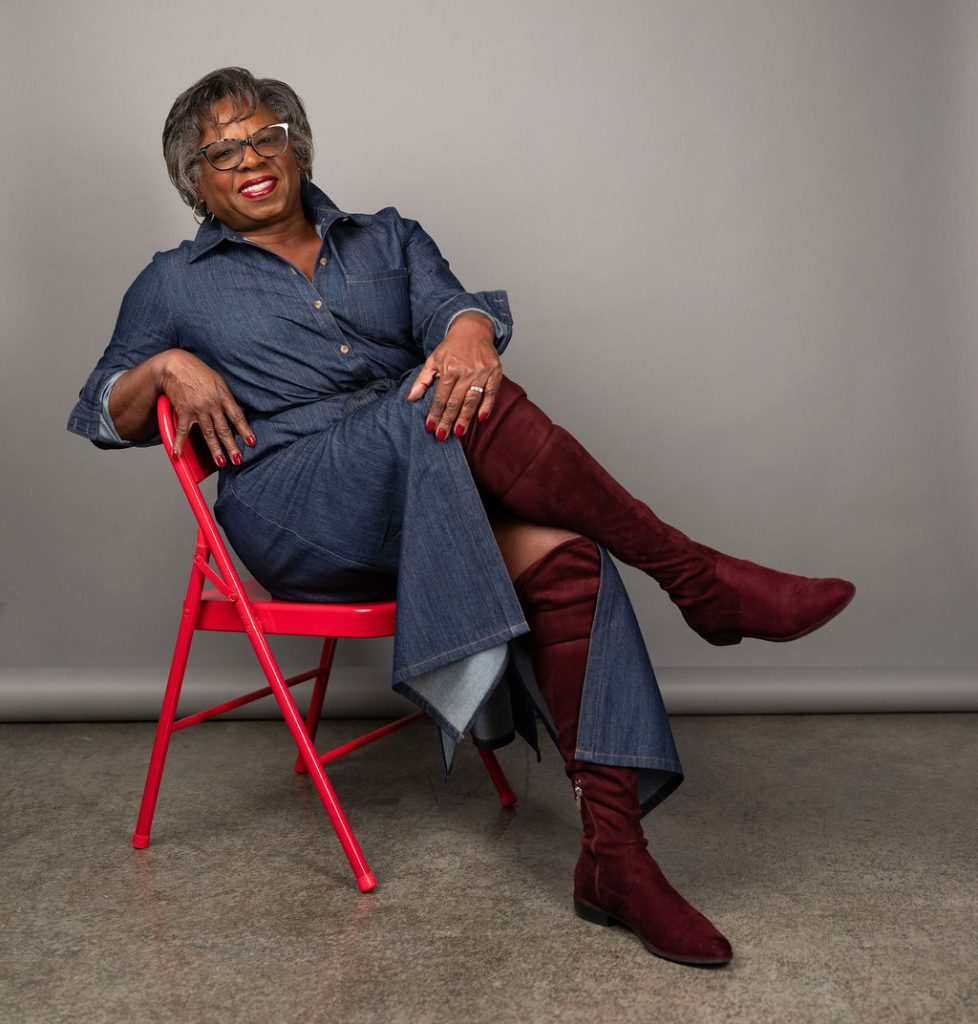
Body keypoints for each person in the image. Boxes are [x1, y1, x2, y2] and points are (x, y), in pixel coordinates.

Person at [68, 67, 855, 968]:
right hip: (300, 513)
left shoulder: (389, 237)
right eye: (223, 151)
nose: (251, 159)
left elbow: (451, 309)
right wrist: (163, 366)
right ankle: (696, 578)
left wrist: (473, 326)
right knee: (434, 403)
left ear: (296, 145)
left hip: (429, 494)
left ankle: (618, 861)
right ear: (194, 180)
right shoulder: (173, 283)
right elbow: (101, 411)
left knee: (569, 557)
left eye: (266, 136)